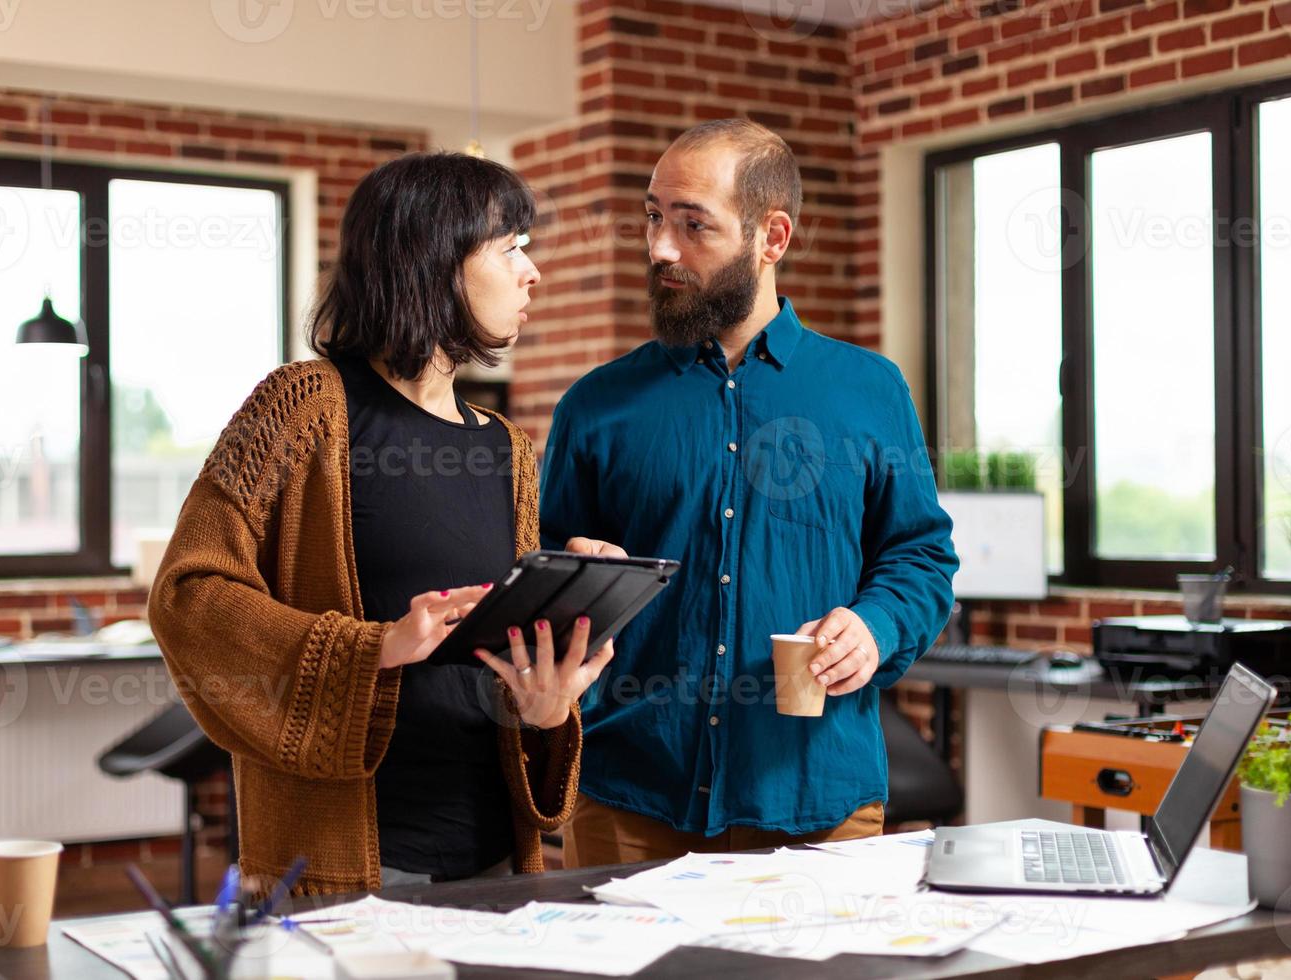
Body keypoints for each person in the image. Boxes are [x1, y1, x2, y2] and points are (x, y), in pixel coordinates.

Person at [149, 152, 612, 896]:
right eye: (511, 248)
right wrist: (376, 648)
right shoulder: (301, 407)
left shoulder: (508, 449)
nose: (534, 274)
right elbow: (188, 596)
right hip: (346, 867)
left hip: (495, 856)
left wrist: (546, 703)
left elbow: (495, 655)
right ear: (434, 260)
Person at [539, 119, 959, 866]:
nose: (660, 247)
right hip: (628, 801)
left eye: (693, 224)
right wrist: (569, 576)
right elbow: (535, 575)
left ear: (773, 237)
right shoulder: (596, 405)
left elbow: (919, 557)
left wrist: (876, 626)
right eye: (654, 217)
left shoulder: (870, 392)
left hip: (818, 801)